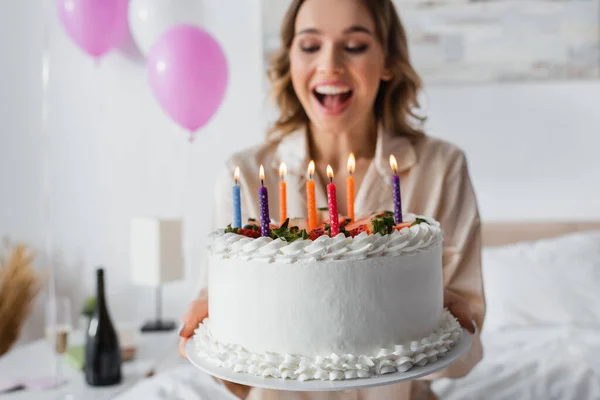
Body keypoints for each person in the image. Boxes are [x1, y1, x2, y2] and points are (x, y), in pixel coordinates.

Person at [179, 0, 485, 398]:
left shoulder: (441, 168)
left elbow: (464, 355)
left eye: (355, 46)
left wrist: (425, 308)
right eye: (310, 46)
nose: (330, 65)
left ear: (388, 59)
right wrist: (217, 335)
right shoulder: (247, 176)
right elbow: (236, 368)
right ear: (289, 59)